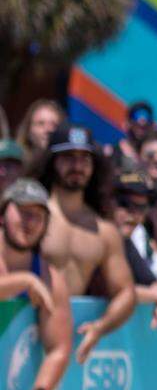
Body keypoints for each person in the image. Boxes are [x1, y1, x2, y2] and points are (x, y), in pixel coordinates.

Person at [36, 124, 136, 363]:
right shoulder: (32, 218)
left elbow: (125, 292)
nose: (77, 166)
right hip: (19, 330)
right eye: (69, 157)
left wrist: (100, 327)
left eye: (85, 159)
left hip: (71, 340)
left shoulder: (104, 231)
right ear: (53, 162)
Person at [0, 179, 72, 390]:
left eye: (39, 216)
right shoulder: (35, 279)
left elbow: (59, 349)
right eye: (23, 212)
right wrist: (25, 281)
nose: (30, 221)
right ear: (2, 213)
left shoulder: (50, 277)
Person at [106, 172, 157, 337]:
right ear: (107, 203)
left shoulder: (124, 242)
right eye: (124, 204)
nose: (133, 214)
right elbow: (111, 290)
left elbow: (152, 284)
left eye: (141, 207)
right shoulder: (94, 235)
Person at [110, 101, 156, 172]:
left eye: (144, 127)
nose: (140, 133)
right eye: (137, 126)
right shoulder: (115, 152)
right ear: (128, 124)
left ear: (152, 126)